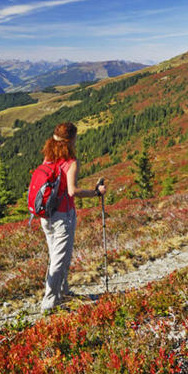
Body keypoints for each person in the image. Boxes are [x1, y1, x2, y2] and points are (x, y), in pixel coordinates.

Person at [39, 122, 106, 313]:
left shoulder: (48, 158)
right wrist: (96, 193)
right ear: (71, 140)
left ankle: (63, 292)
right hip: (63, 216)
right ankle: (49, 303)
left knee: (55, 256)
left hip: (47, 216)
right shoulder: (71, 162)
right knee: (60, 259)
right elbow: (72, 191)